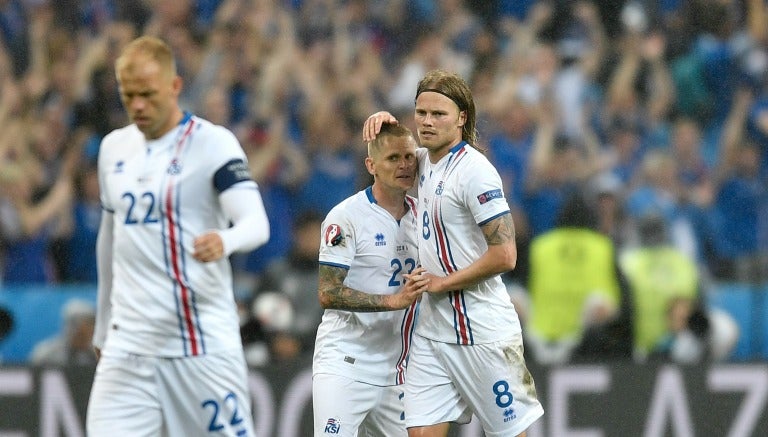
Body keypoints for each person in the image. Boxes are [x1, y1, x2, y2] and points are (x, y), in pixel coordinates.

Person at [86, 36, 270, 437]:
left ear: (174, 86)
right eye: (128, 95)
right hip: (129, 347)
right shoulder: (113, 148)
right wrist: (103, 326)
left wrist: (226, 240)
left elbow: (256, 223)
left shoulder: (212, 143)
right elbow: (109, 237)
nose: (137, 106)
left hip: (198, 344)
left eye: (148, 95)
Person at [364, 69, 543, 437]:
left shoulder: (476, 172)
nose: (427, 123)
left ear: (462, 118)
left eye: (438, 114)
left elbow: (506, 255)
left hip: (482, 332)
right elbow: (387, 160)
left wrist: (442, 282)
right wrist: (382, 123)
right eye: (421, 113)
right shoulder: (422, 160)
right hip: (432, 334)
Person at [313, 123, 427, 437]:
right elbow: (327, 292)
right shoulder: (345, 217)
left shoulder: (425, 218)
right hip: (345, 363)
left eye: (408, 156)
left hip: (399, 371)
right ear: (371, 165)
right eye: (392, 158)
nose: (404, 165)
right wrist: (394, 301)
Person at [30, 298, 97, 366]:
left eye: (93, 323)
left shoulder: (97, 355)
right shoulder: (46, 354)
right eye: (89, 323)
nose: (93, 328)